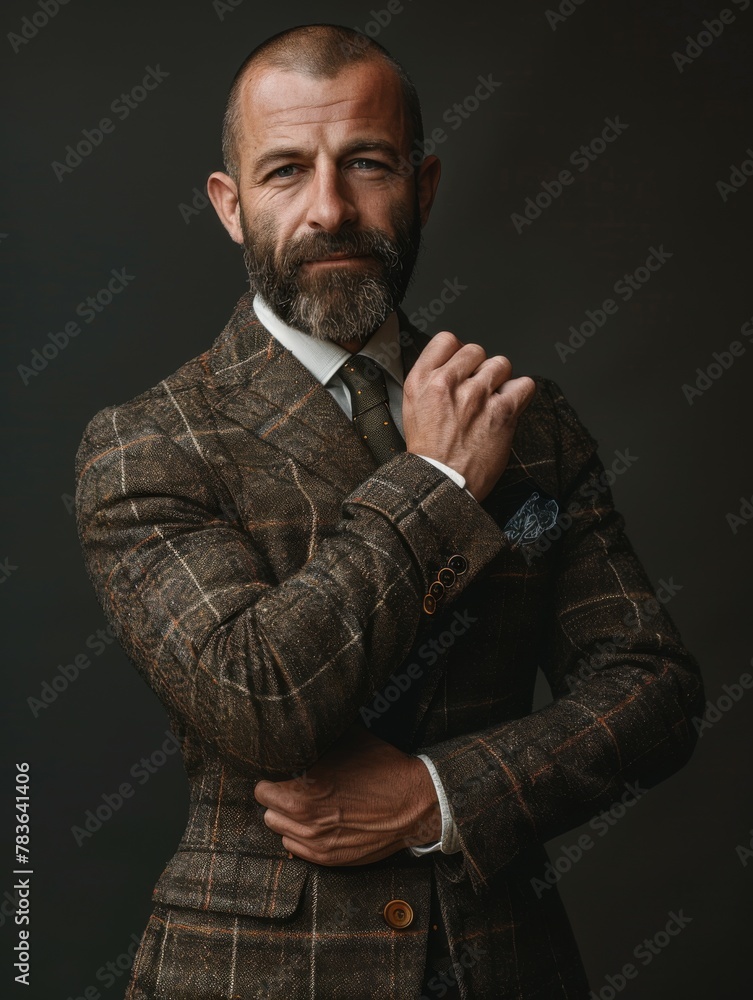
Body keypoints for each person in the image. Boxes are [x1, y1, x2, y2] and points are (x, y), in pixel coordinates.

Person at [75, 23, 704, 1000]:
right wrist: (440, 486)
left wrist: (438, 798)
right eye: (286, 172)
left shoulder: (531, 425)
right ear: (231, 206)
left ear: (425, 184)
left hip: (506, 962)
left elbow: (655, 693)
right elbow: (260, 701)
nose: (330, 208)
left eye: (366, 163)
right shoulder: (146, 443)